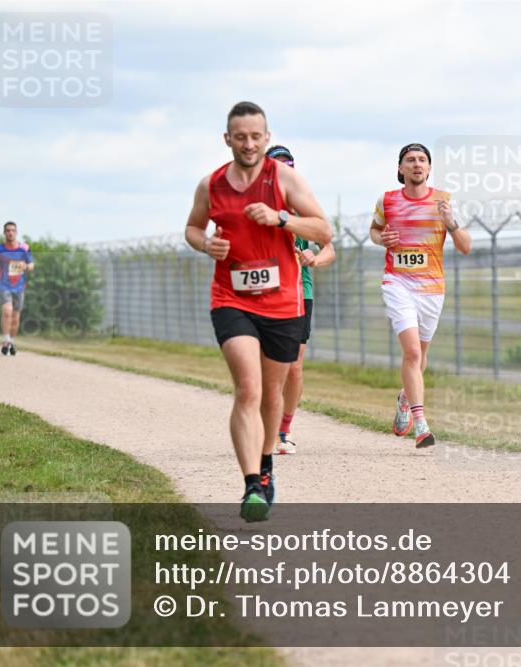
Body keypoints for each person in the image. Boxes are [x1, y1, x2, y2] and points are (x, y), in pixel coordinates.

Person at [185, 102, 332, 522]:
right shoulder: (210, 185)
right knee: (248, 389)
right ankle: (251, 483)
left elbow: (323, 230)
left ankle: (265, 464)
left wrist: (280, 218)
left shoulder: (284, 179)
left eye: (255, 136)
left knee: (272, 394)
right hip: (231, 298)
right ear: (227, 139)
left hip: (284, 301)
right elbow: (193, 228)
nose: (248, 143)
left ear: (266, 139)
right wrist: (204, 244)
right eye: (240, 136)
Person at [370, 143, 472, 447]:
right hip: (397, 282)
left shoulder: (444, 201)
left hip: (431, 288)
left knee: (420, 356)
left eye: (422, 160)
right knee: (412, 352)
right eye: (410, 160)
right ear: (400, 168)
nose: (417, 164)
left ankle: (405, 396)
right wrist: (382, 239)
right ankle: (421, 424)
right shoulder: (386, 200)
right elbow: (374, 230)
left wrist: (451, 223)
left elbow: (466, 246)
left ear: (428, 168)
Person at [265, 144, 336, 455]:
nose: (283, 170)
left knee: (293, 366)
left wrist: (314, 257)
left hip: (298, 293)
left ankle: (283, 430)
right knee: (267, 367)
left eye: (288, 165)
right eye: (276, 166)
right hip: (263, 294)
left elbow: (329, 247)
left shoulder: (304, 208)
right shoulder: (253, 208)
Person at [0, 221, 34, 356]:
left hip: (19, 286)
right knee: (7, 310)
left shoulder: (24, 248)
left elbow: (31, 265)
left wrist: (26, 265)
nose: (10, 233)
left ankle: (11, 341)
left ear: (16, 232)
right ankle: (6, 340)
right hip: (3, 284)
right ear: (4, 233)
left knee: (15, 315)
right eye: (7, 230)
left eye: (13, 230)